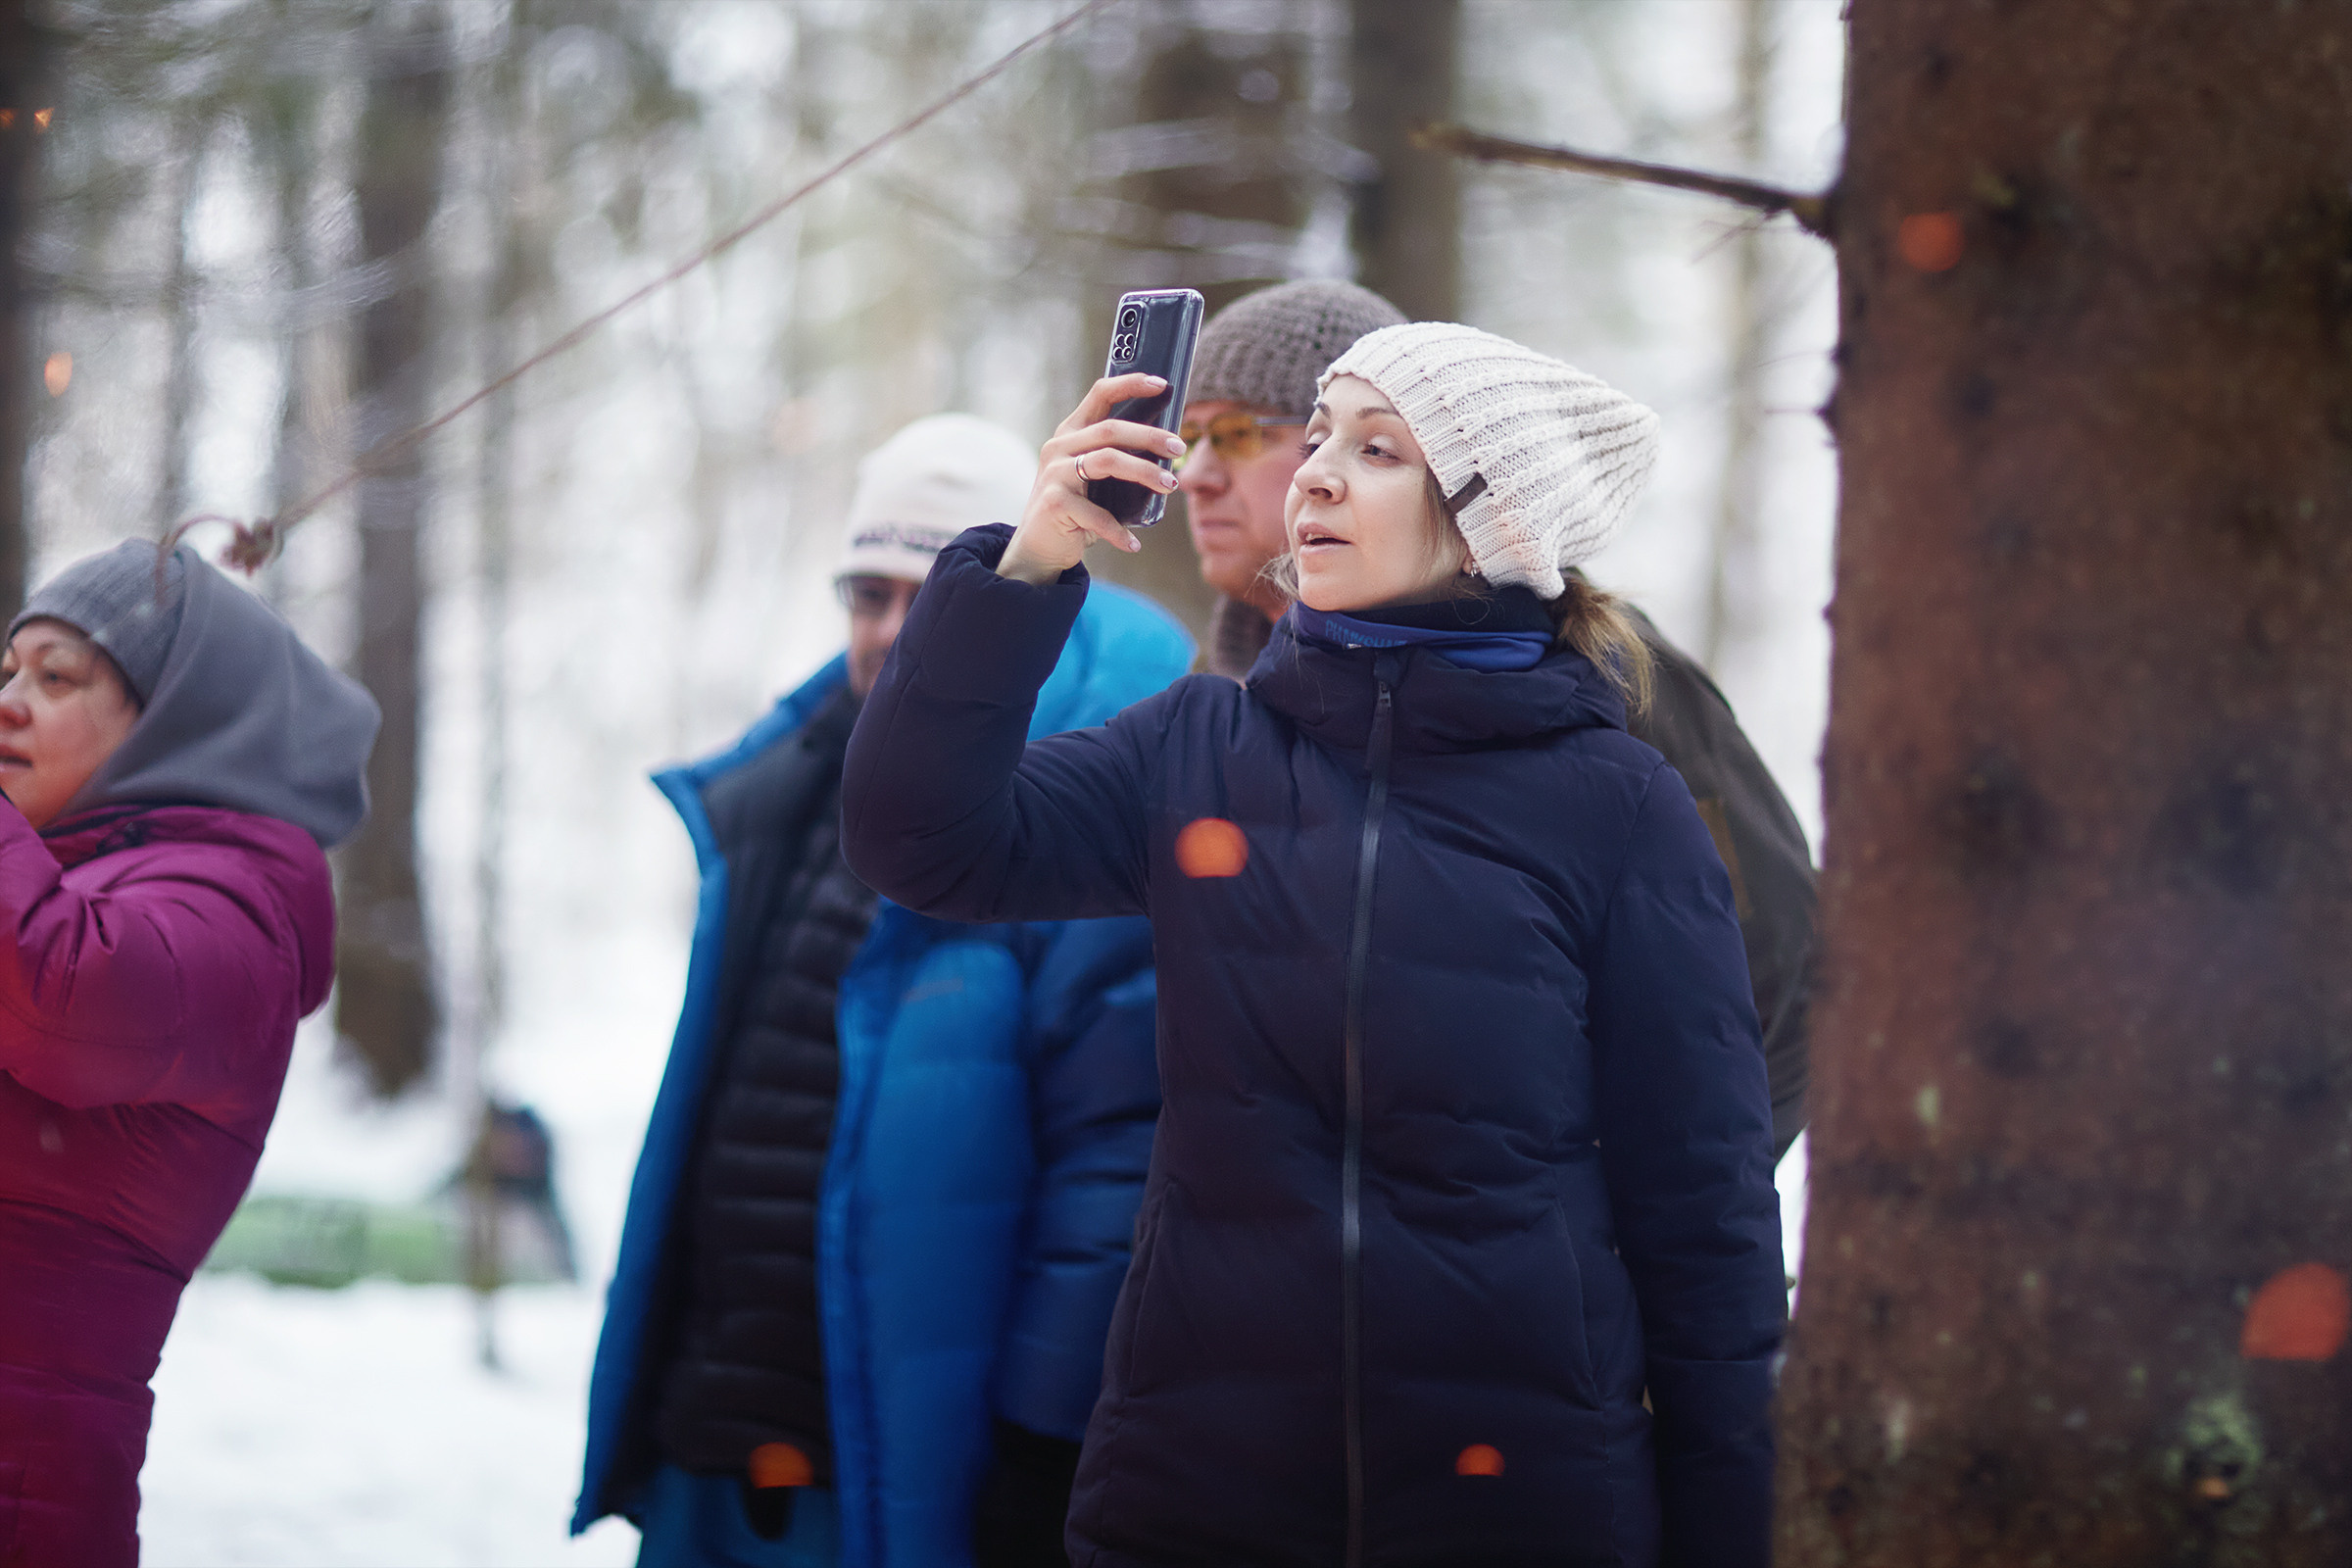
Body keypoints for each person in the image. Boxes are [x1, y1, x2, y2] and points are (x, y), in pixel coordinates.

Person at [843, 325, 1787, 1566]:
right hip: (1194, 1495)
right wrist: (1026, 565)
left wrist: (1732, 1529)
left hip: (1518, 1508)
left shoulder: (1617, 804)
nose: (1317, 475)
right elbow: (919, 839)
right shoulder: (1195, 750)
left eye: (1379, 448)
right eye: (1326, 438)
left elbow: (1702, 1209)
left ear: (1489, 520)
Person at [575, 415, 1196, 1568]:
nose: (892, 633)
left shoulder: (1078, 815)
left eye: (928, 591)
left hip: (902, 1452)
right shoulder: (794, 783)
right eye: (866, 594)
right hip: (716, 1427)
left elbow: (1114, 1166)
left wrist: (1040, 1445)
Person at [1177, 278, 1818, 1159]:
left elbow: (1771, 978)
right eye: (1190, 437)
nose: (1198, 474)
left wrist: (1616, 1232)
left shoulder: (1605, 674)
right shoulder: (1212, 703)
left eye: (1241, 433)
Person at [0, 540, 379, 1568]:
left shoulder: (239, 909)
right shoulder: (46, 872)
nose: (9, 699)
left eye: (57, 676)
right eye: (8, 670)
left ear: (170, 719)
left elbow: (59, 997)